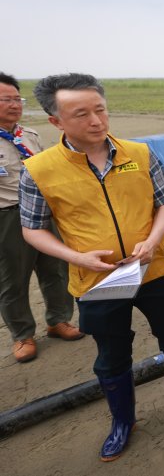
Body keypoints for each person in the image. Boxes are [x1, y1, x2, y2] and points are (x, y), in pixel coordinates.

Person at [20, 73, 164, 462]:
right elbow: (33, 229)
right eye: (81, 114)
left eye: (100, 110)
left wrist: (153, 240)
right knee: (111, 352)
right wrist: (78, 258)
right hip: (97, 280)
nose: (96, 120)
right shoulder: (39, 169)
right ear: (56, 121)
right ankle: (123, 421)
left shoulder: (139, 153)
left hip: (154, 270)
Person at [0, 72, 81, 363]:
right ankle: (22, 335)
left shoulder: (29, 137)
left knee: (56, 269)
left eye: (17, 99)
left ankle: (59, 320)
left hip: (44, 213)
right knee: (13, 280)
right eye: (6, 99)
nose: (15, 105)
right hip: (7, 218)